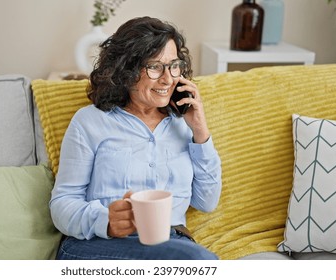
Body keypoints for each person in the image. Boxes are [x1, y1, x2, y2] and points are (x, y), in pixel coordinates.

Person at [49, 16, 222, 260]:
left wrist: (200, 131)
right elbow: (62, 205)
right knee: (200, 262)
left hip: (172, 243)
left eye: (174, 65)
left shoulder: (184, 125)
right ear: (125, 70)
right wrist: (105, 220)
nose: (168, 78)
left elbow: (207, 201)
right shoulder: (90, 122)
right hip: (100, 244)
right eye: (154, 67)